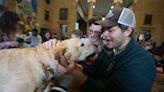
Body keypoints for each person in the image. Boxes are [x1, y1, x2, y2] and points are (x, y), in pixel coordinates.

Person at [56, 8, 156, 92]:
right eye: (104, 29)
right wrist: (75, 66)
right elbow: (95, 70)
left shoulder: (141, 63)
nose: (103, 34)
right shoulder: (112, 49)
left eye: (111, 30)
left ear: (127, 31)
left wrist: (75, 73)